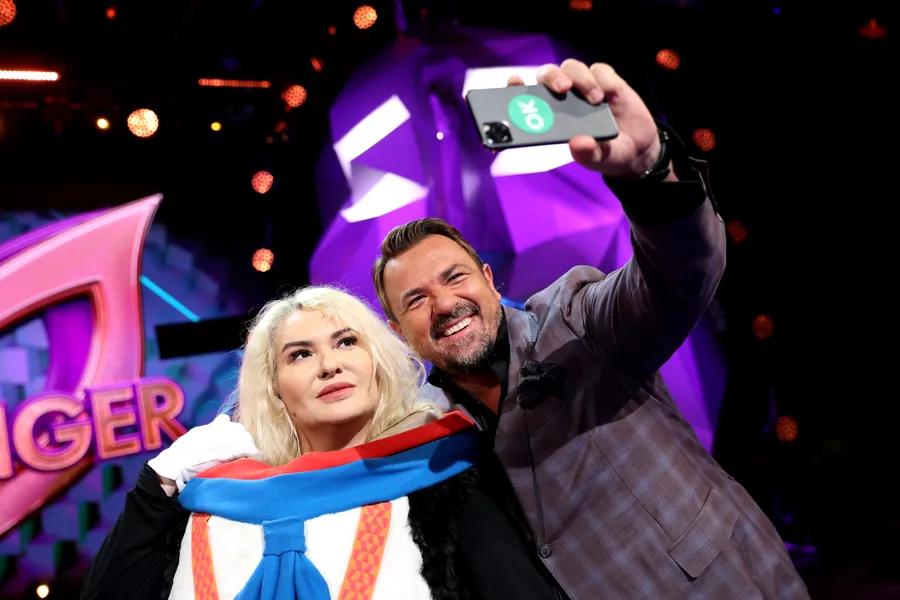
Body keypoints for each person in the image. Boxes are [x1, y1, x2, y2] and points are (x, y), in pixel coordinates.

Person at [373, 59, 811, 598]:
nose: (444, 304)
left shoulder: (574, 318)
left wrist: (650, 172)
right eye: (417, 299)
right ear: (397, 330)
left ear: (487, 279)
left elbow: (680, 274)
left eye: (455, 277)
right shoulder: (429, 435)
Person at [80, 286, 563, 600]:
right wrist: (157, 485)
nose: (330, 365)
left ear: (377, 362)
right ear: (275, 389)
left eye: (347, 342)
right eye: (301, 355)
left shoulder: (447, 477)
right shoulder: (213, 502)